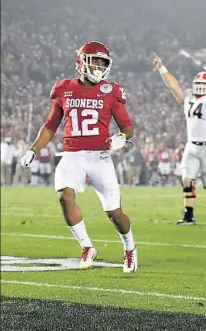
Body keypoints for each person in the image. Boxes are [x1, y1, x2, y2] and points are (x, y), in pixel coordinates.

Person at [19, 41, 138, 272]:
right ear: (81, 62)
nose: (98, 68)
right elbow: (50, 125)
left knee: (114, 214)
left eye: (103, 63)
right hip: (72, 155)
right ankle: (87, 246)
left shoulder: (111, 90)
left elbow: (127, 127)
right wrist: (33, 149)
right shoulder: (63, 88)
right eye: (94, 62)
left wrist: (121, 137)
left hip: (100, 157)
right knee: (65, 197)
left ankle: (130, 247)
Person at [152, 54, 206, 225]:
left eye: (203, 84)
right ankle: (189, 216)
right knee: (187, 180)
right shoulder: (187, 96)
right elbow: (173, 87)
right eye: (198, 84)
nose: (200, 87)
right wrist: (161, 68)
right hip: (191, 145)